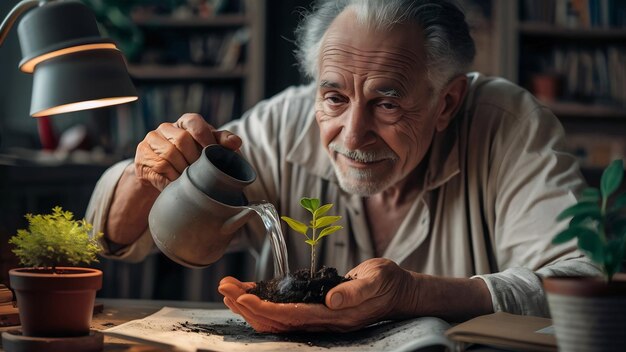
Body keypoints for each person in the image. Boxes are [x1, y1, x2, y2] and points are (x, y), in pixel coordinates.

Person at [87, 0, 601, 333]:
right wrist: (147, 173)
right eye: (334, 97)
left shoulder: (506, 124)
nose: (352, 135)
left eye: (388, 102)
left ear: (447, 102)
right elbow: (108, 237)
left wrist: (415, 295)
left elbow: (584, 280)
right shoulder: (282, 121)